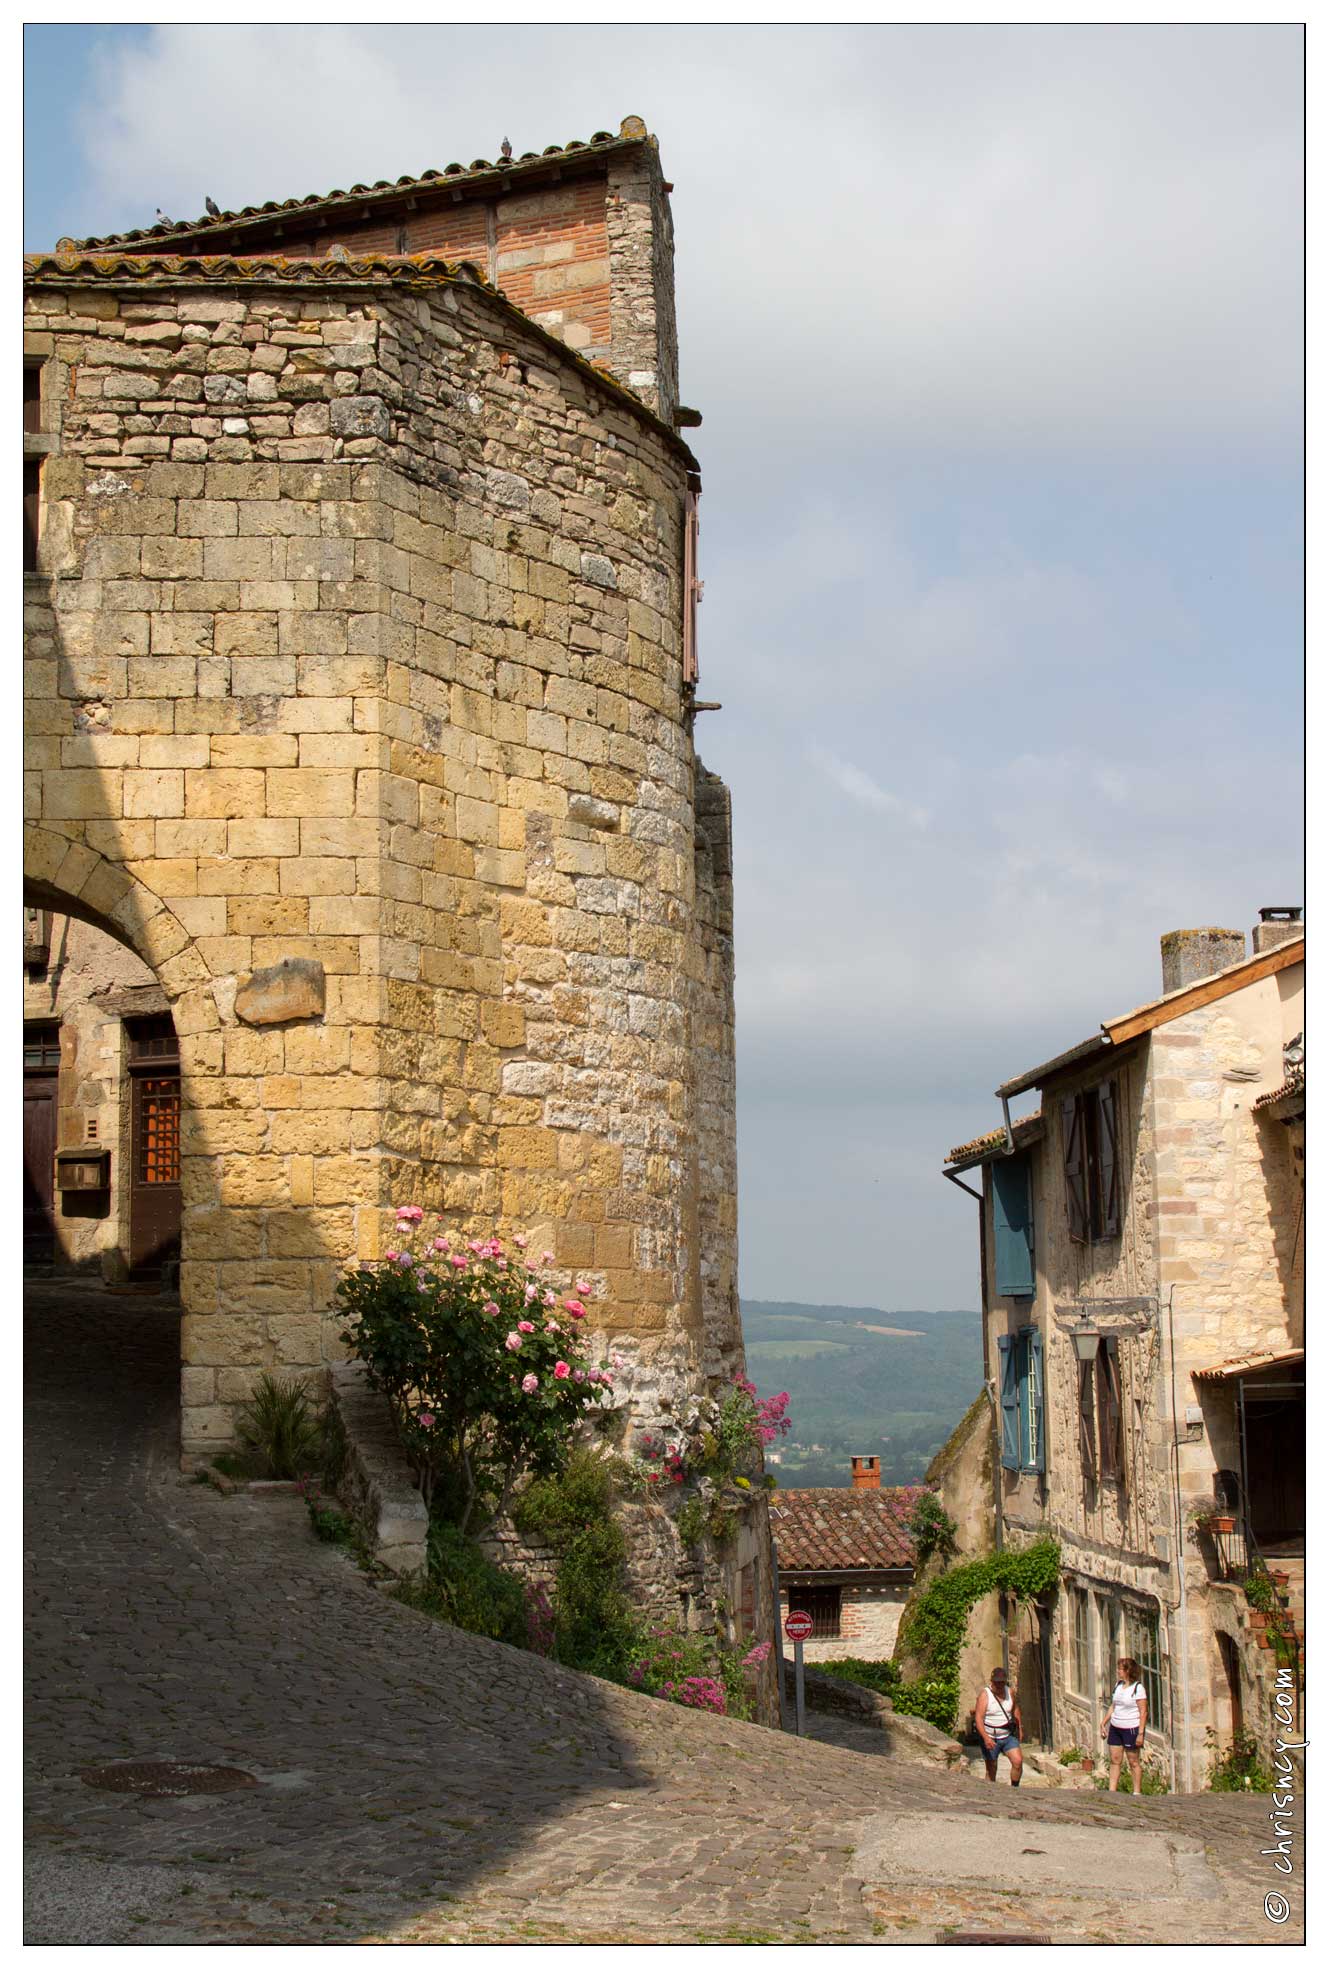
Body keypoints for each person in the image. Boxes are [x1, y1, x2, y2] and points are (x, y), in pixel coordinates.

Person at [1101, 1655, 1148, 1792]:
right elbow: (1113, 1706)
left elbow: (1143, 1712)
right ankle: (1112, 1790)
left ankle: (1137, 1791)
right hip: (1116, 1727)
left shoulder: (1137, 1689)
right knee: (1115, 1759)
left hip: (1131, 1728)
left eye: (1121, 1669)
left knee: (1133, 1761)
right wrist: (1104, 1722)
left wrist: (1140, 1733)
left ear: (1128, 1671)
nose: (1118, 1671)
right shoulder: (1118, 1686)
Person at [974, 1664, 1023, 1785]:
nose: (999, 1685)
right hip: (990, 1736)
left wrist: (1020, 1728)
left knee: (1017, 1761)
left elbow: (1015, 1709)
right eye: (996, 1683)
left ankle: (1014, 1789)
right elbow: (978, 1719)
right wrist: (986, 1738)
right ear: (992, 1682)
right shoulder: (985, 1696)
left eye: (1001, 1682)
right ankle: (991, 1793)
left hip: (1007, 1735)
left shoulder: (1010, 1692)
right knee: (992, 1768)